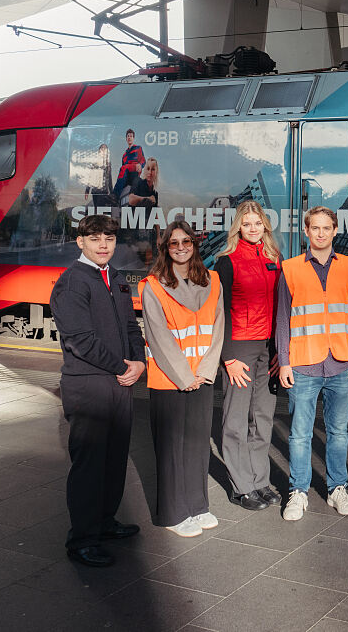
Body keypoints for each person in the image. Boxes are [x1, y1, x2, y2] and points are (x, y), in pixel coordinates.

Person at [49, 214, 144, 567]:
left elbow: (131, 327)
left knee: (114, 459)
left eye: (109, 238)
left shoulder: (116, 279)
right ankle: (83, 539)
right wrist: (123, 368)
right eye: (95, 239)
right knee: (90, 464)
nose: (103, 245)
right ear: (81, 243)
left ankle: (105, 521)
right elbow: (80, 341)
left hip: (119, 382)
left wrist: (139, 362)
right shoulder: (72, 283)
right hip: (88, 385)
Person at [275, 206, 348, 521]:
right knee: (299, 434)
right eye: (316, 228)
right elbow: (283, 318)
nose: (322, 233)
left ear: (335, 231)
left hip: (340, 362)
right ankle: (298, 492)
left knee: (339, 431)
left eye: (327, 228)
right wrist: (284, 362)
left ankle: (337, 489)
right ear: (307, 232)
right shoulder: (290, 268)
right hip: (302, 363)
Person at [140, 221, 224, 537]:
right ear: (165, 248)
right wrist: (184, 375)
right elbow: (158, 336)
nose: (180, 247)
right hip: (169, 379)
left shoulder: (212, 281)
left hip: (202, 378)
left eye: (186, 241)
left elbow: (217, 328)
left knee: (198, 444)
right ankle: (173, 514)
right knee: (171, 448)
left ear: (194, 245)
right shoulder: (153, 286)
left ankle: (197, 506)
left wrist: (204, 372)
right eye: (173, 243)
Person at [214, 201, 282, 512]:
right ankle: (241, 486)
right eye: (246, 223)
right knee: (235, 419)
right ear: (238, 227)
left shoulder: (275, 259)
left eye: (257, 223)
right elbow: (219, 312)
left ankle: (260, 481)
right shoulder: (226, 261)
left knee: (264, 417)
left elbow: (282, 308)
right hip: (239, 346)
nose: (253, 229)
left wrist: (281, 350)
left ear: (265, 226)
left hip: (267, 348)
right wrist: (226, 356)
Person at [112, 128, 145, 200]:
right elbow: (122, 173)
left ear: (133, 138)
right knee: (123, 168)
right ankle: (115, 199)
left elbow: (143, 161)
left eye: (131, 136)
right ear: (126, 138)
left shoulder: (138, 148)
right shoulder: (124, 155)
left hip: (134, 172)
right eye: (128, 136)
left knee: (124, 168)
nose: (129, 137)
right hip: (127, 176)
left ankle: (114, 195)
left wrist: (140, 165)